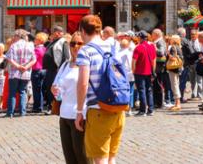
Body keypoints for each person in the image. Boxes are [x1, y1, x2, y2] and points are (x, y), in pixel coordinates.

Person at [75, 14, 126, 164]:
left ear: (83, 31)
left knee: (99, 159)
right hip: (118, 107)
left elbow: (83, 83)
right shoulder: (112, 47)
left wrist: (79, 111)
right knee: (111, 158)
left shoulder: (86, 51)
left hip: (99, 110)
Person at [51, 31, 87, 164]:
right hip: (64, 114)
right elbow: (56, 85)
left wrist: (80, 112)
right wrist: (55, 89)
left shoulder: (87, 65)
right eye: (73, 43)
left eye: (79, 43)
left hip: (81, 114)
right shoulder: (66, 64)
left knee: (82, 155)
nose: (76, 46)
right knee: (69, 156)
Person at [5, 28, 36, 117]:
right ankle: (22, 112)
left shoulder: (13, 46)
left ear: (18, 36)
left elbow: (9, 59)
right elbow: (34, 60)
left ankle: (10, 112)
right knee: (23, 91)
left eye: (14, 36)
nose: (13, 37)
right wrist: (25, 67)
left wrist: (18, 66)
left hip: (14, 73)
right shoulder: (30, 45)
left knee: (12, 93)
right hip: (25, 73)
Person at [43, 26, 67, 115]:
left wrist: (61, 69)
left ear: (61, 33)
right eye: (54, 32)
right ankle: (51, 106)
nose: (55, 33)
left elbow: (65, 57)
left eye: (58, 32)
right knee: (49, 88)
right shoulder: (53, 42)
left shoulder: (63, 42)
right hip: (50, 70)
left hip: (56, 69)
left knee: (55, 89)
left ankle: (55, 107)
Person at [132, 31, 156, 116]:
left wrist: (133, 71)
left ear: (140, 38)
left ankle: (142, 110)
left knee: (141, 90)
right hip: (149, 71)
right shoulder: (151, 47)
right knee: (149, 90)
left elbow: (134, 61)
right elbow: (153, 60)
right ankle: (151, 109)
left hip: (139, 72)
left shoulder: (138, 48)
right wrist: (153, 71)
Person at [31, 32, 48, 114]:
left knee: (36, 90)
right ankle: (39, 106)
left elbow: (33, 60)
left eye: (36, 39)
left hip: (36, 70)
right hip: (43, 70)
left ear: (40, 40)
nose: (34, 40)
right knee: (41, 90)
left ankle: (37, 107)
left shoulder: (36, 49)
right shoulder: (45, 49)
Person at [166, 35, 184, 111]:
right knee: (176, 84)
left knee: (174, 85)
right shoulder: (179, 47)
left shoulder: (173, 47)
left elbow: (173, 58)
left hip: (173, 69)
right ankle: (177, 103)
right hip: (178, 68)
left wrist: (168, 53)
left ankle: (178, 103)